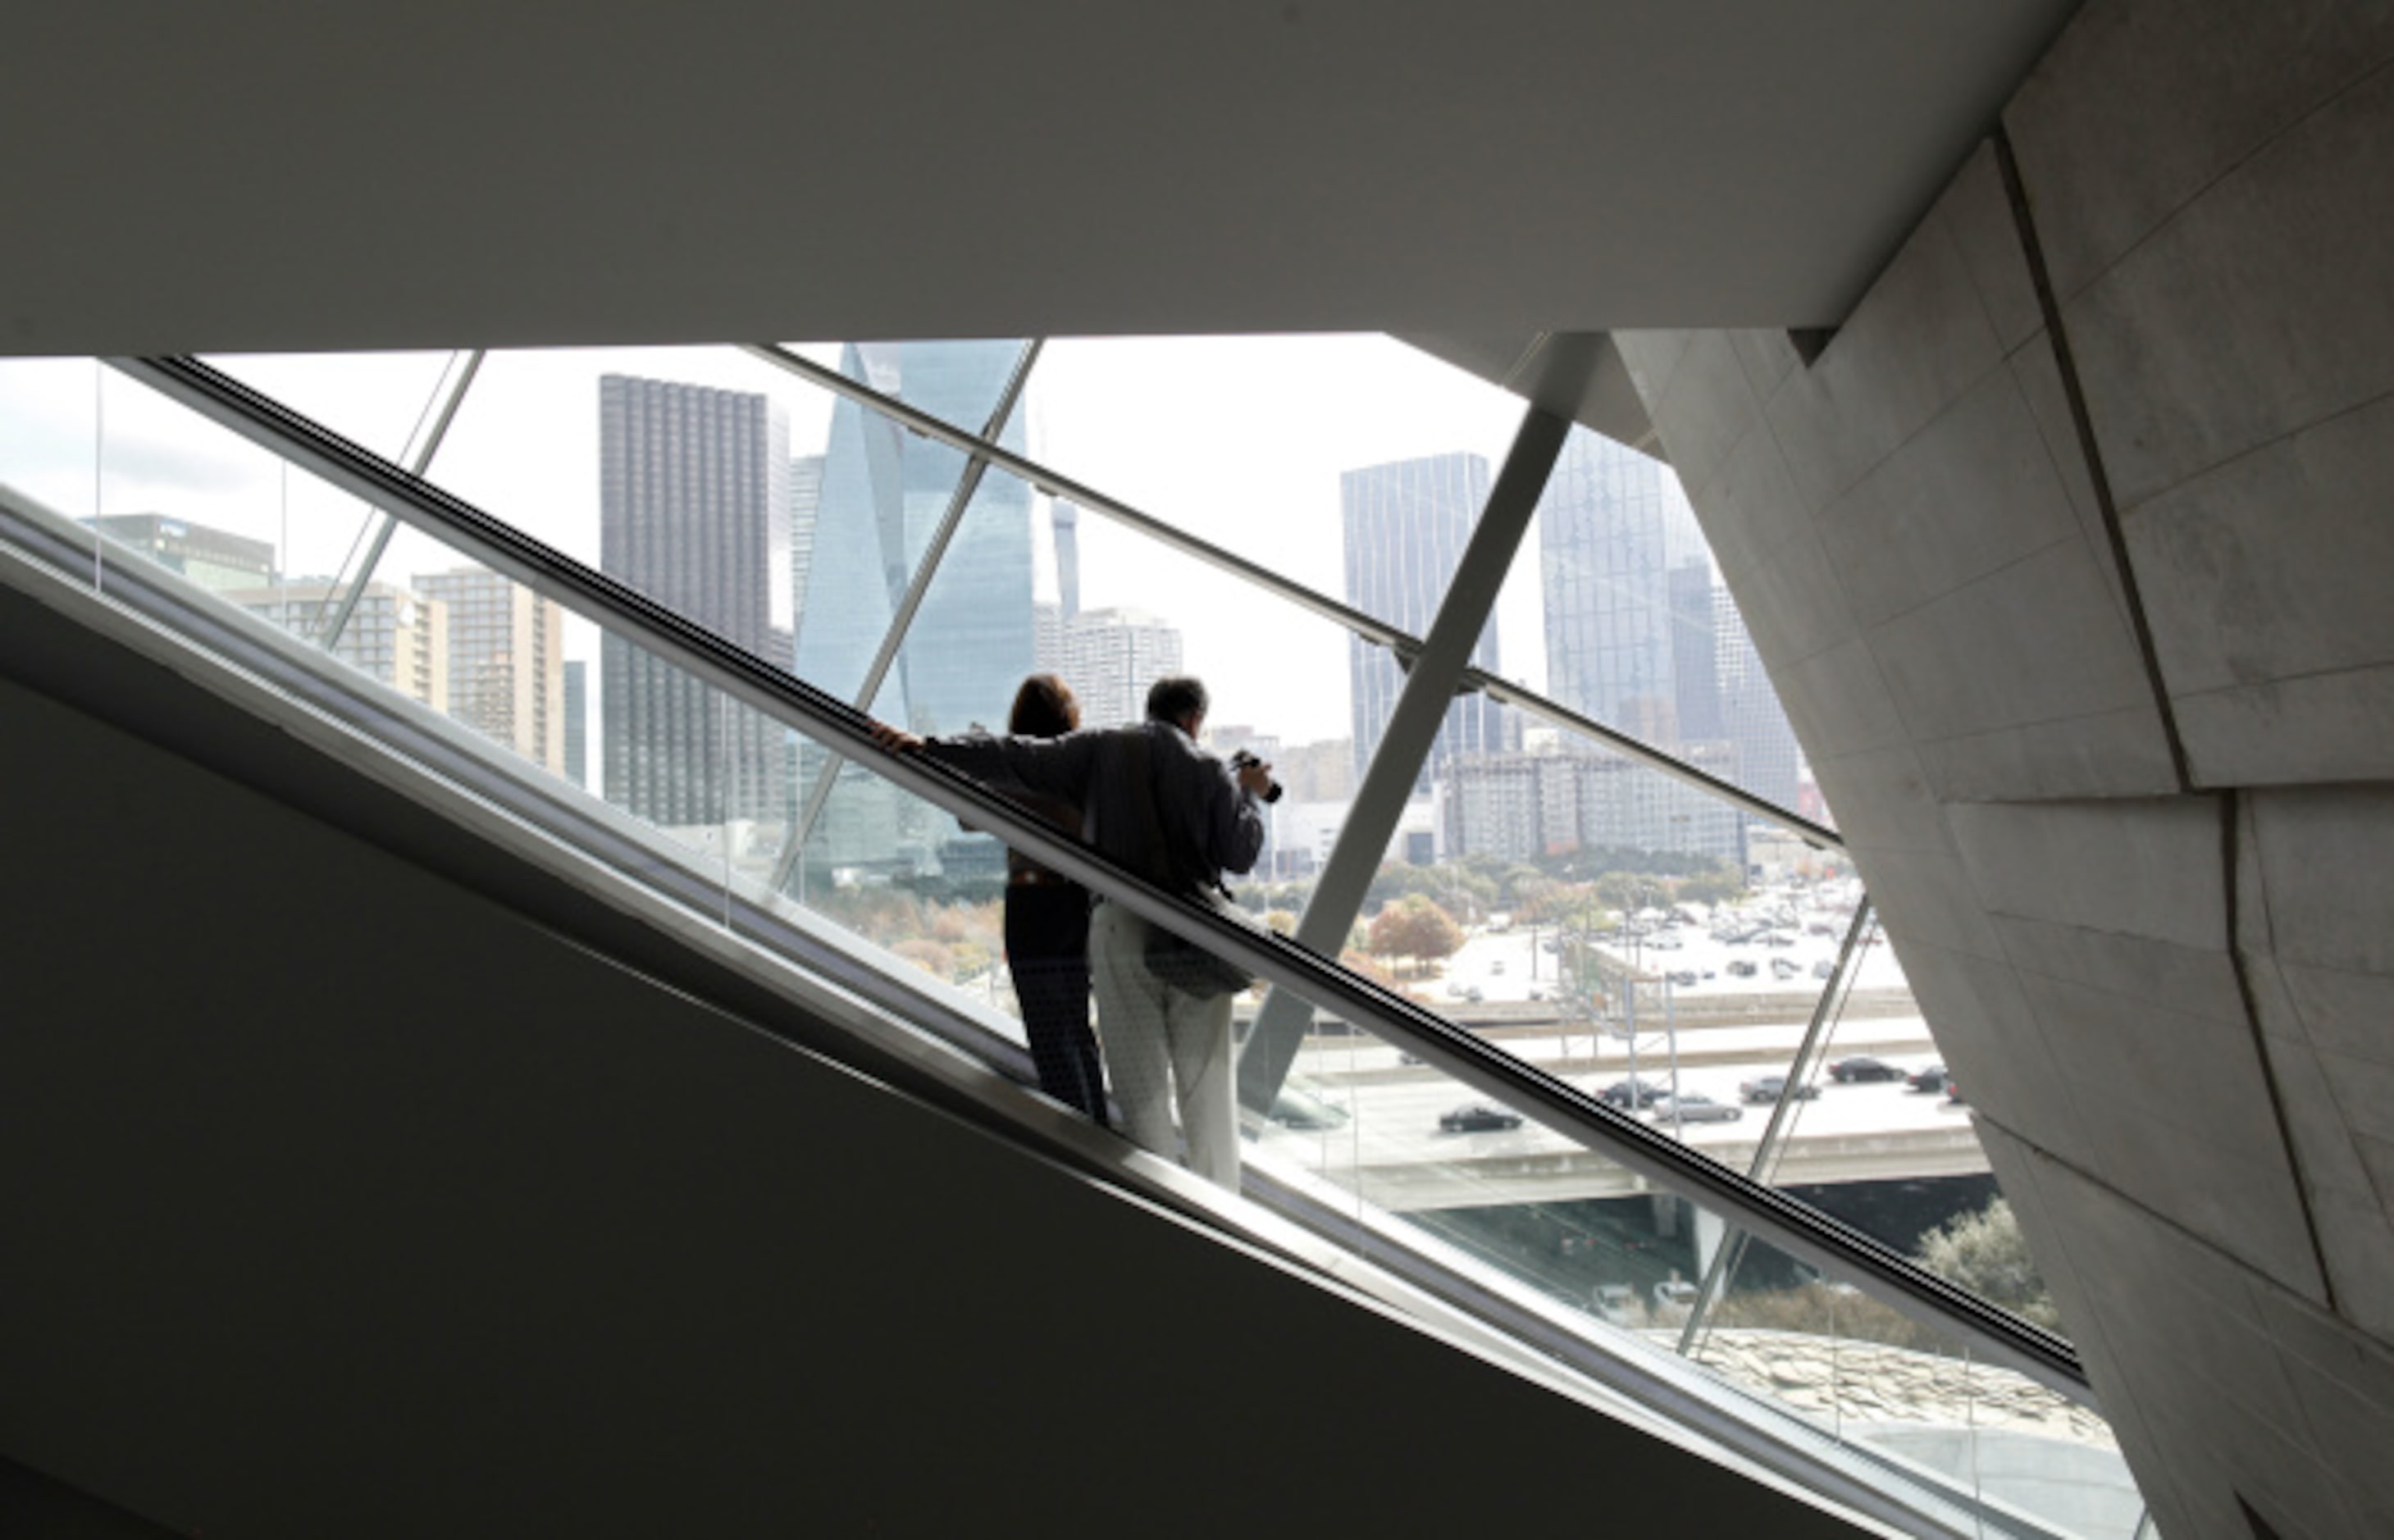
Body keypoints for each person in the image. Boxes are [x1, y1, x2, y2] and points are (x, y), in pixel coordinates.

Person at [872, 676, 1270, 1187]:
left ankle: (1163, 1216)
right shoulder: (1209, 767)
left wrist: (929, 746)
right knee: (1206, 1091)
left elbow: (1014, 756)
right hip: (1196, 931)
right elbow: (1240, 855)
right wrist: (1250, 798)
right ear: (1195, 719)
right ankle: (1224, 1213)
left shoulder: (1100, 749)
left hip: (1117, 927)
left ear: (1149, 711)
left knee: (1140, 1092)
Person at [997, 673, 1106, 1128]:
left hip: (1029, 898)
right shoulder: (1077, 768)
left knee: (1047, 1027)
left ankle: (1075, 1132)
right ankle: (1095, 1129)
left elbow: (967, 817)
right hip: (1073, 900)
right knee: (1076, 1027)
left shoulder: (1010, 767)